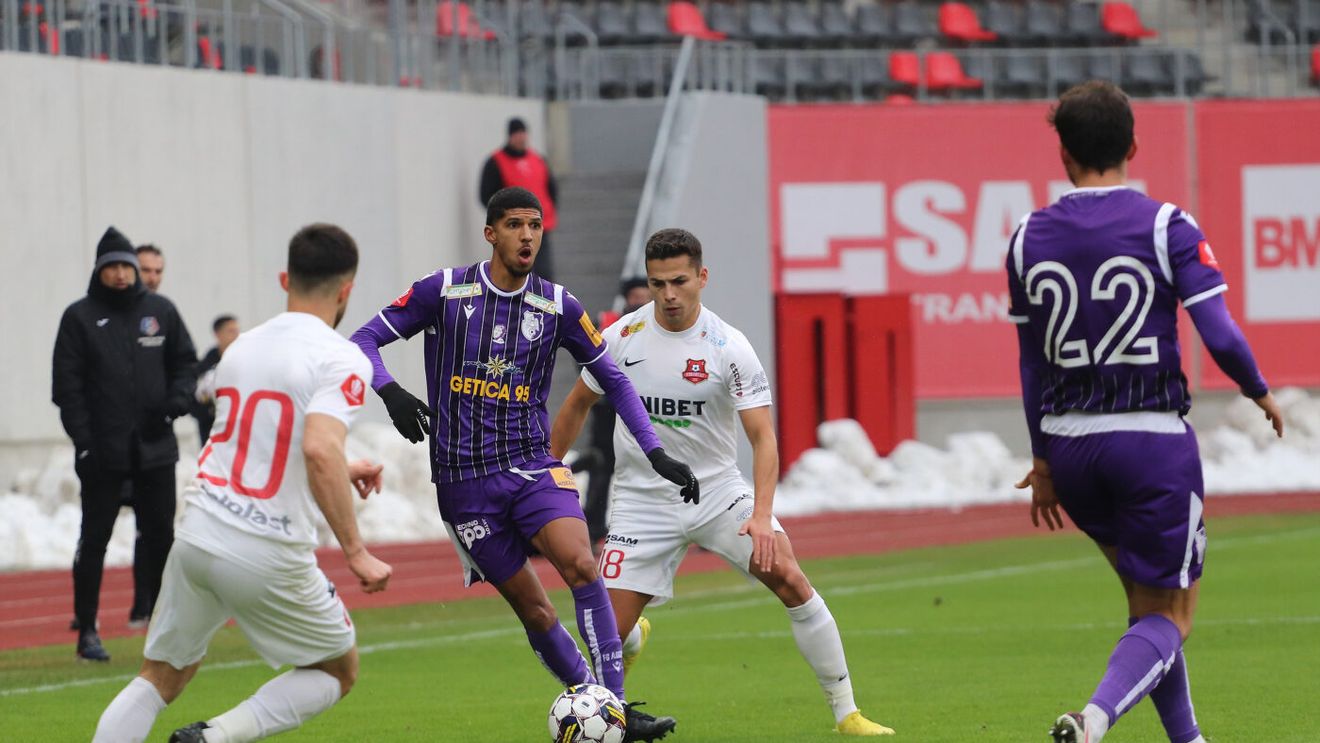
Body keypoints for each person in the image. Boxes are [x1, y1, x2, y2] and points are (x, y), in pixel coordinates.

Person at [350, 187, 696, 742]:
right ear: (492, 234)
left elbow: (614, 379)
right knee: (535, 611)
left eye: (535, 225)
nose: (528, 235)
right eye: (515, 224)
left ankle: (617, 713)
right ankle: (595, 705)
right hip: (463, 483)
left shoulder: (558, 306)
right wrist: (390, 391)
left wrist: (655, 449)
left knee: (582, 566)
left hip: (532, 465)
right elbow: (362, 340)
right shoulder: (444, 290)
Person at [1005, 82, 1285, 743]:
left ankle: (1189, 739)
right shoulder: (1168, 226)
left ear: (1064, 153)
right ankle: (1093, 717)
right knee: (1174, 612)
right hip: (1150, 440)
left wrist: (1042, 457)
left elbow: (1030, 363)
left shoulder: (1024, 238)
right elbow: (1217, 332)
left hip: (1072, 448)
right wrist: (1259, 389)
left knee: (1144, 610)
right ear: (1132, 145)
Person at [550, 228, 896, 738]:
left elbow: (763, 438)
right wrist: (549, 475)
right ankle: (632, 643)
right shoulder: (622, 338)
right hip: (643, 503)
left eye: (679, 282)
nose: (668, 294)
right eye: (658, 283)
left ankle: (847, 714)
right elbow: (577, 404)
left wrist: (760, 516)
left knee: (792, 580)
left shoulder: (728, 346)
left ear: (702, 278)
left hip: (717, 493)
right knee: (605, 636)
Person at [90, 224, 393, 743]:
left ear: (285, 280)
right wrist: (356, 550)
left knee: (161, 676)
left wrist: (344, 465)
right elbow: (317, 447)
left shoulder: (241, 348)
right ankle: (212, 738)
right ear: (347, 289)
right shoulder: (343, 357)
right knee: (336, 670)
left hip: (200, 532)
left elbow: (265, 439)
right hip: (266, 548)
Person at [52, 227, 198, 660]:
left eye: (126, 267)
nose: (121, 274)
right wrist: (84, 442)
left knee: (161, 538)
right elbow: (67, 387)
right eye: (112, 266)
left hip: (155, 449)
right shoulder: (79, 317)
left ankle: (165, 627)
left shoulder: (161, 311)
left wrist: (175, 404)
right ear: (100, 271)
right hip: (103, 454)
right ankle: (88, 633)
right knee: (93, 539)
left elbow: (185, 365)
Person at [576, 277, 654, 547]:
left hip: (648, 411)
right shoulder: (609, 324)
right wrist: (601, 392)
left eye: (645, 296)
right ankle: (594, 527)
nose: (640, 301)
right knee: (602, 466)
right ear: (626, 298)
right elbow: (585, 357)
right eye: (636, 296)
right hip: (608, 411)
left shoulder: (660, 327)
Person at [478, 118, 560, 282]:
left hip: (539, 225)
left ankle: (543, 305)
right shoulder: (496, 162)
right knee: (513, 269)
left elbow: (551, 189)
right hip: (512, 230)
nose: (521, 138)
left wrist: (547, 213)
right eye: (517, 134)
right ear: (510, 136)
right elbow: (486, 196)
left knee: (543, 272)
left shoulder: (538, 160)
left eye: (523, 134)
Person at [192, 314, 241, 443]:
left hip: (239, 429)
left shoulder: (245, 362)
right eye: (231, 331)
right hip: (212, 431)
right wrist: (209, 413)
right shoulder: (204, 368)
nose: (236, 335)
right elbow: (192, 398)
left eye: (237, 331)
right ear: (218, 334)